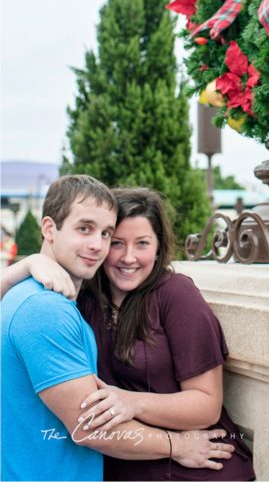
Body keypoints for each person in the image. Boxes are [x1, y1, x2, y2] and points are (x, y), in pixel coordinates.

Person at [4, 184, 253, 481]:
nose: (128, 257)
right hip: (126, 464)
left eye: (142, 244)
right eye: (117, 242)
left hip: (194, 466)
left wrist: (133, 401)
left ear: (159, 246)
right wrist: (30, 263)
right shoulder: (80, 297)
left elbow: (207, 406)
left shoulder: (176, 295)